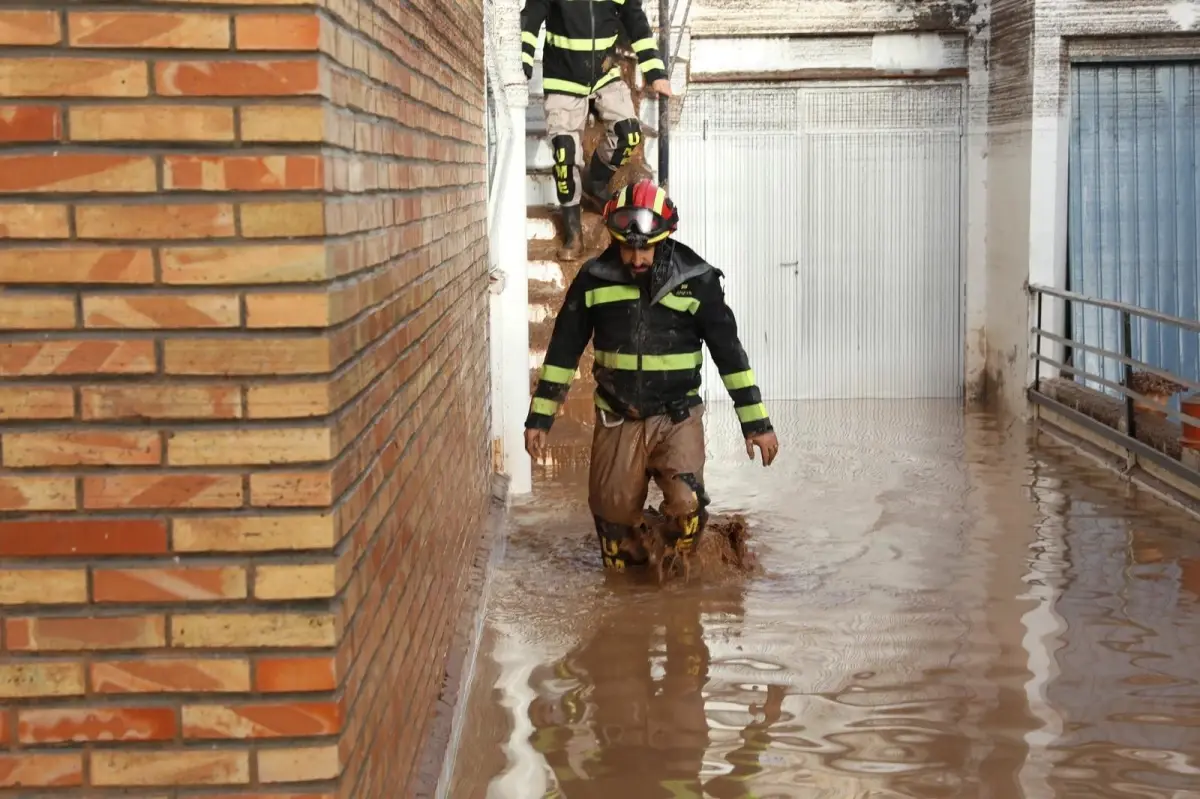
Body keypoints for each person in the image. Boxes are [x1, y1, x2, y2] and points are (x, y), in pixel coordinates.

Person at [524, 179, 780, 571]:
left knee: (686, 506)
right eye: (627, 247)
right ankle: (636, 574)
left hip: (676, 416)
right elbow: (562, 352)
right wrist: (539, 419)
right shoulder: (593, 281)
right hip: (617, 415)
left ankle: (680, 578)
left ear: (664, 238)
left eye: (645, 247)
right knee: (613, 529)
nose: (636, 258)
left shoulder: (697, 280)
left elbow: (730, 355)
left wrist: (756, 424)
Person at [519, 0, 674, 261]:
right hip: (562, 77)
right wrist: (521, 66)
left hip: (604, 73)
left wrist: (656, 72)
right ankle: (573, 232)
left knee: (629, 134)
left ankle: (596, 181)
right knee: (564, 155)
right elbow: (530, 19)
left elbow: (636, 21)